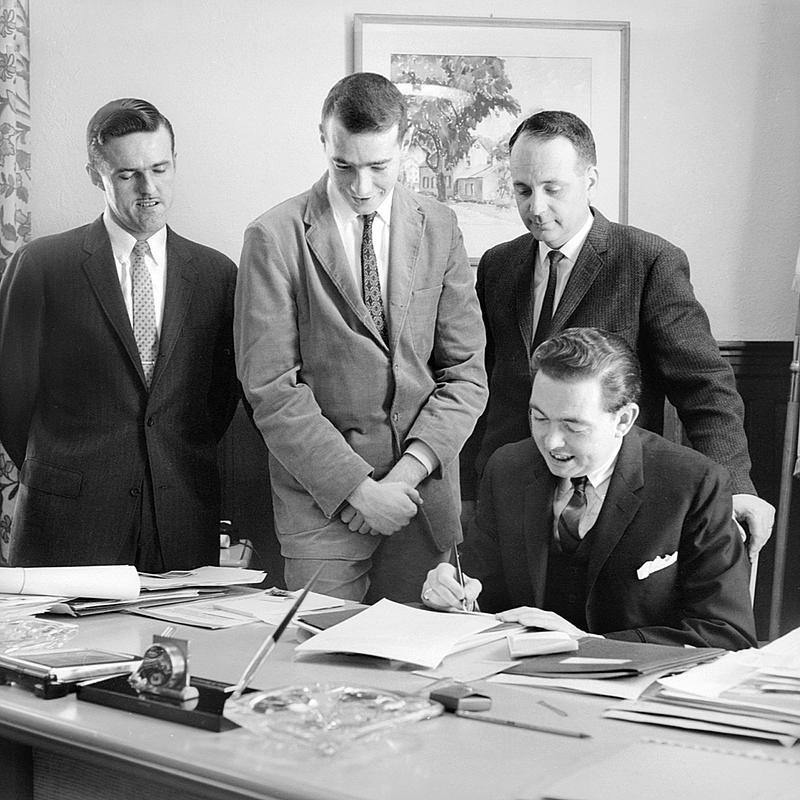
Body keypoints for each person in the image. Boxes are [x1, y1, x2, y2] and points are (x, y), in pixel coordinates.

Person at [461, 110, 773, 558]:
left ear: (590, 179)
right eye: (523, 190)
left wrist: (736, 487)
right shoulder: (498, 265)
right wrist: (469, 490)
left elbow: (705, 388)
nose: (536, 207)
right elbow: (486, 386)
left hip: (608, 502)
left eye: (553, 189)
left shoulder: (648, 261)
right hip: (509, 500)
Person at [234, 72, 487, 603]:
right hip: (321, 507)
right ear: (322, 141)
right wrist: (357, 490)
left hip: (424, 501)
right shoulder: (273, 236)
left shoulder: (440, 225)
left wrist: (404, 479)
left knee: (422, 670)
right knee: (325, 669)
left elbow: (466, 375)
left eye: (380, 166)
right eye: (343, 165)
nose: (362, 186)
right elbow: (271, 390)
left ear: (405, 145)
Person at [0, 98, 239, 571]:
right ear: (96, 173)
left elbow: (218, 398)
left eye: (160, 168)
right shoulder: (42, 266)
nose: (148, 188)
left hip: (180, 518)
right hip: (66, 521)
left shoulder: (217, 274)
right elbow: (9, 399)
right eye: (128, 174)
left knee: (173, 647)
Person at [424, 328, 756, 650]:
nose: (551, 442)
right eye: (539, 418)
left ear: (624, 420)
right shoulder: (507, 468)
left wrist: (590, 645)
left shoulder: (693, 484)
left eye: (573, 425)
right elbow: (482, 587)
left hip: (636, 690)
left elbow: (727, 635)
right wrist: (452, 591)